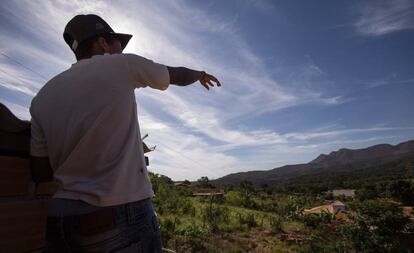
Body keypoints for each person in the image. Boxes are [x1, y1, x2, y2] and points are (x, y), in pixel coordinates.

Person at [29, 14, 221, 252]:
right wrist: (200, 74)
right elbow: (178, 76)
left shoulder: (41, 98)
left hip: (60, 220)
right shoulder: (122, 65)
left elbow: (39, 172)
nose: (121, 49)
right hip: (116, 215)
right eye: (118, 42)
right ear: (102, 43)